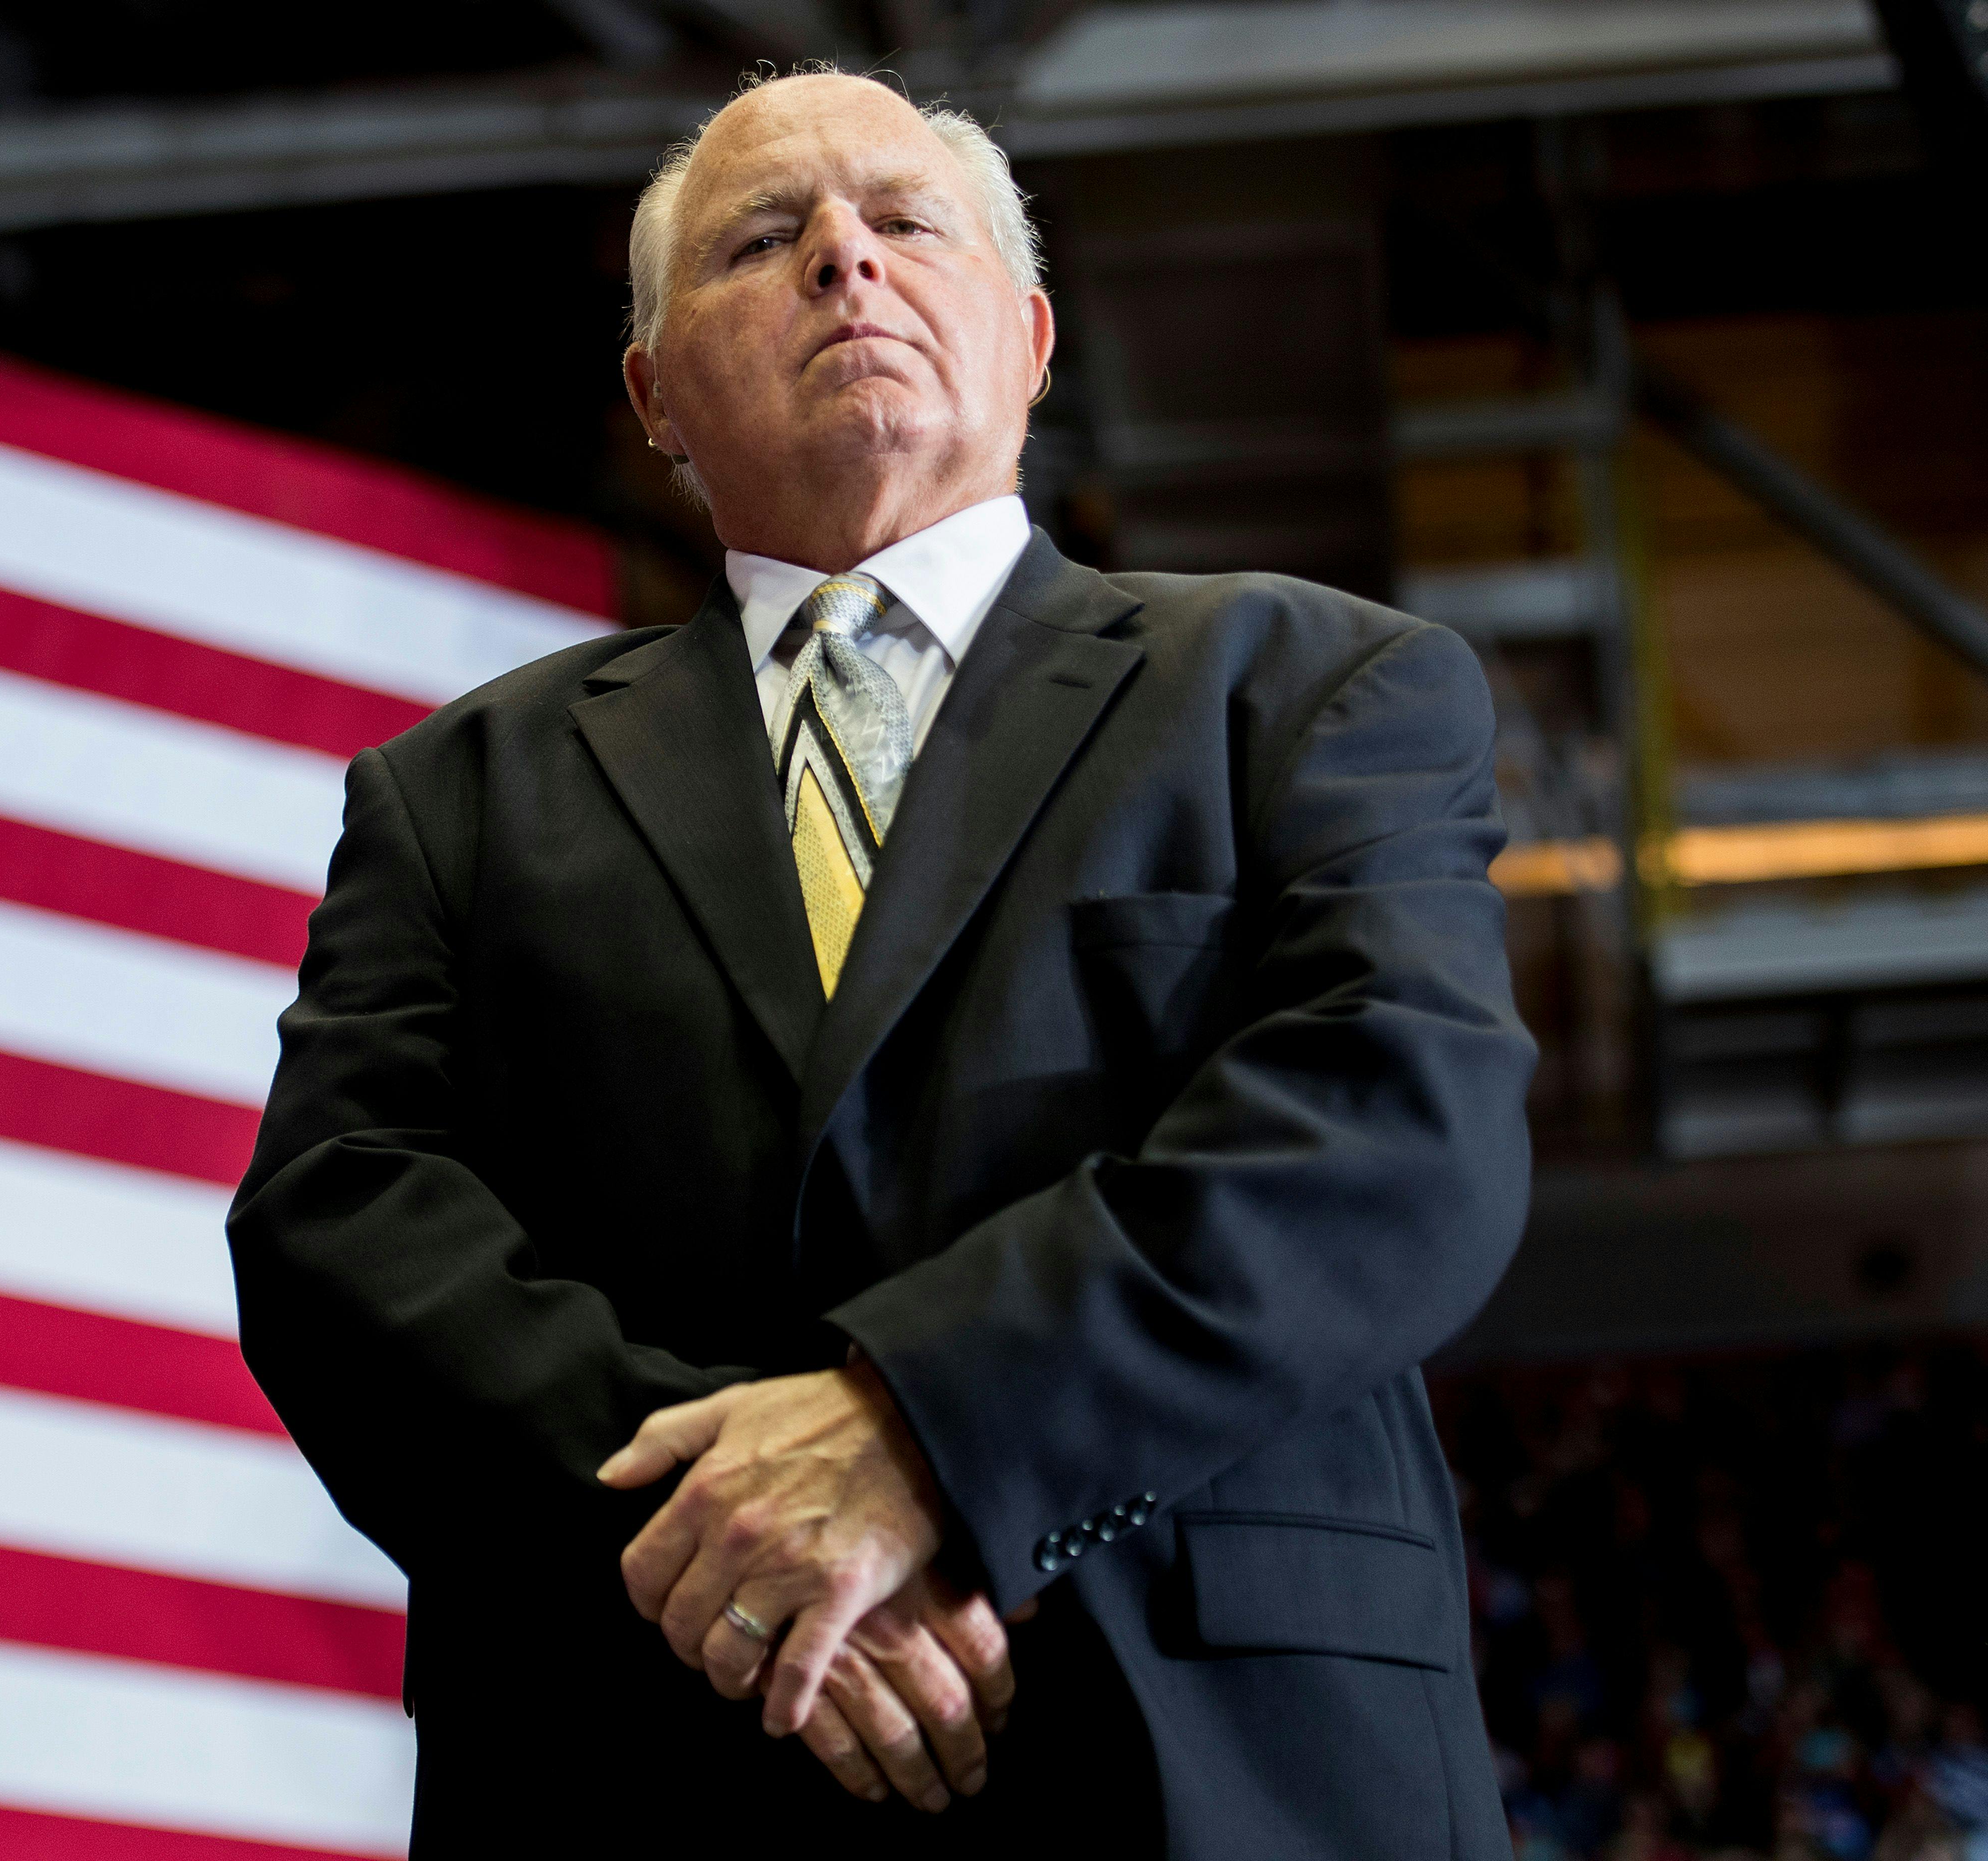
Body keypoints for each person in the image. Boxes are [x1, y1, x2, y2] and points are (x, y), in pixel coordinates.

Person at [228, 66, 1535, 1858]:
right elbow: (341, 1236)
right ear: (653, 397)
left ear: (1031, 333)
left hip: (1225, 1764)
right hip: (645, 1754)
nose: (846, 260)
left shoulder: (1317, 689)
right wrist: (739, 1542)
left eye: (907, 224)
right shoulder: (456, 793)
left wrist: (927, 1435)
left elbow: (1399, 1130)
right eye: (765, 240)